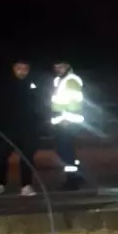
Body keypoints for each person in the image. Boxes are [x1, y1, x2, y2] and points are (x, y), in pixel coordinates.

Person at [0, 60, 41, 197]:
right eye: (19, 68)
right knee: (1, 156)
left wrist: (38, 126)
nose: (22, 71)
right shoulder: (3, 85)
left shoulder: (33, 84)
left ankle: (26, 185)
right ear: (13, 68)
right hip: (7, 128)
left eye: (25, 69)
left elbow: (40, 106)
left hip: (28, 129)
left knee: (27, 157)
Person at [49, 60, 85, 190]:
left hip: (68, 120)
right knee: (66, 150)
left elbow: (74, 101)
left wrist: (65, 119)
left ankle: (73, 180)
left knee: (65, 150)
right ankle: (77, 174)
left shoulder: (71, 80)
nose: (59, 68)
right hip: (62, 120)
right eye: (56, 66)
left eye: (62, 66)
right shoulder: (59, 80)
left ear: (68, 66)